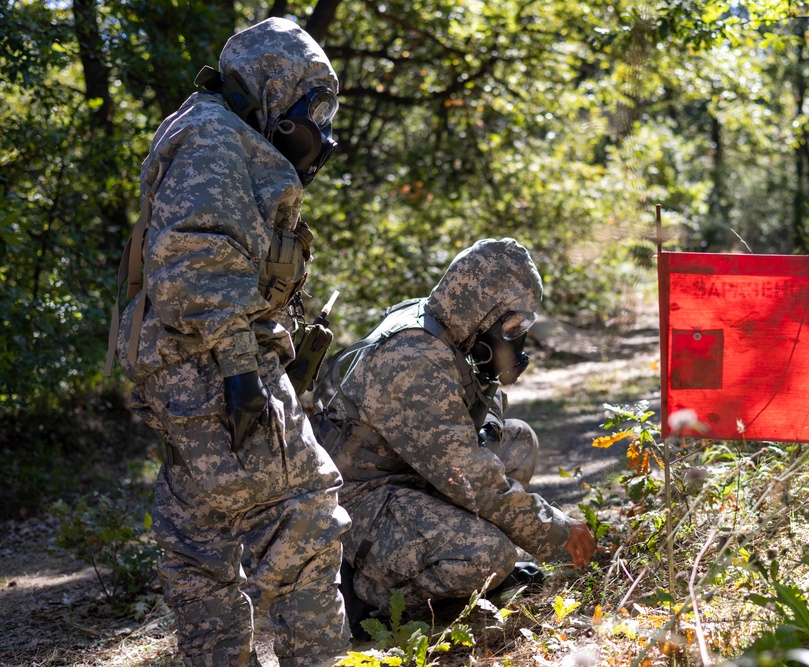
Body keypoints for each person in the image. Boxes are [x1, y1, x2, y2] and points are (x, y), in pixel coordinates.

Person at [106, 18, 351, 666]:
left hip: (187, 370)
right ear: (274, 89)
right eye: (312, 109)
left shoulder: (212, 130)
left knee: (200, 544)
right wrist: (244, 375)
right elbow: (196, 264)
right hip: (217, 367)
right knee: (306, 520)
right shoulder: (214, 137)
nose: (320, 131)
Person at [312, 238, 596, 636]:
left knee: (518, 441)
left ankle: (448, 571)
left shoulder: (450, 328)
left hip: (409, 475)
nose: (518, 337)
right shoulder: (414, 358)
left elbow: (470, 426)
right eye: (513, 325)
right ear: (482, 308)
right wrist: (558, 532)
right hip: (359, 500)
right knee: (489, 556)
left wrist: (494, 373)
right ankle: (370, 596)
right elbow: (471, 479)